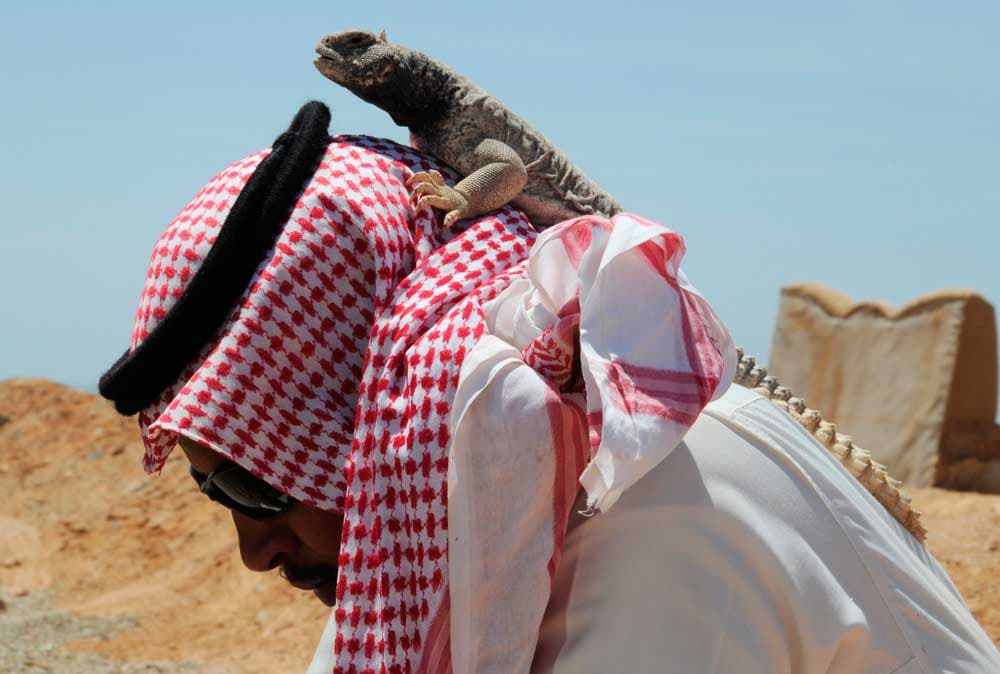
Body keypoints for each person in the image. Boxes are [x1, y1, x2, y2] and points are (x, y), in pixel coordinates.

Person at [100, 102, 1000, 674]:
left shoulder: (658, 519)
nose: (252, 550)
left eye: (255, 485)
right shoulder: (432, 528)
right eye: (211, 481)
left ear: (372, 419)